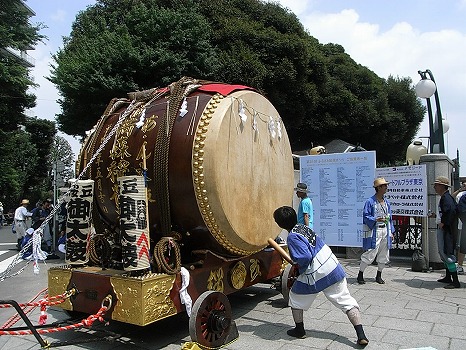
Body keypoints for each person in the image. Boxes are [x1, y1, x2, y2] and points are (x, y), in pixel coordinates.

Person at [273, 206, 369, 346]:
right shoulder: (302, 228)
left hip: (317, 271)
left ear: (280, 224)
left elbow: (305, 257)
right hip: (332, 265)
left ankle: (299, 330)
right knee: (346, 301)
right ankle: (361, 334)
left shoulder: (292, 236)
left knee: (295, 297)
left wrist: (298, 266)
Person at [358, 177, 394, 285]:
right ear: (379, 188)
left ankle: (379, 275)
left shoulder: (386, 202)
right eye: (384, 186)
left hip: (385, 230)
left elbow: (390, 217)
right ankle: (360, 274)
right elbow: (366, 216)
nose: (386, 187)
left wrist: (391, 231)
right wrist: (375, 219)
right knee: (371, 252)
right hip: (375, 230)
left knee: (384, 253)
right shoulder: (370, 201)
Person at [432, 176, 460, 289]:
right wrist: (436, 216)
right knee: (444, 252)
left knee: (446, 253)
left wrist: (443, 222)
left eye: (437, 185)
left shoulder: (446, 198)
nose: (435, 187)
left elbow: (451, 211)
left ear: (443, 186)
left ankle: (455, 281)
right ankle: (448, 277)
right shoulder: (446, 197)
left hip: (446, 231)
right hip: (445, 229)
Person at [452, 181, 466, 275]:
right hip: (462, 224)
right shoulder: (461, 195)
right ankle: (460, 266)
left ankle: (460, 266)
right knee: (462, 246)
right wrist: (460, 190)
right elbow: (452, 198)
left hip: (464, 224)